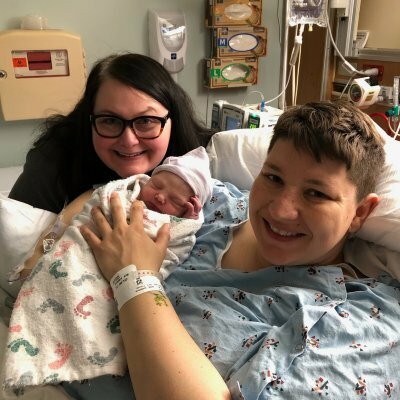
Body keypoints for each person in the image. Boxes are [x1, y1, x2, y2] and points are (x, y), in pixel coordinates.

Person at [62, 100, 398, 399]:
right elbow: (121, 192)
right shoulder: (217, 202)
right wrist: (51, 238)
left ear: (360, 213)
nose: (280, 210)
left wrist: (134, 278)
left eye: (316, 194)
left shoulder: (358, 323)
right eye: (274, 178)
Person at [3, 147, 214, 388]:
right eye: (156, 186)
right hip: (76, 261)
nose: (161, 198)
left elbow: (175, 248)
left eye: (175, 200)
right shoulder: (113, 192)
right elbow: (62, 227)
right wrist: (39, 254)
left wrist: (185, 222)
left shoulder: (177, 220)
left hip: (127, 282)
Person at [8, 53, 213, 214]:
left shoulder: (206, 158)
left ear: (173, 121)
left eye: (146, 121)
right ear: (89, 119)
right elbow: (19, 247)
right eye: (110, 121)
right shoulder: (55, 158)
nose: (129, 141)